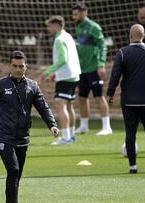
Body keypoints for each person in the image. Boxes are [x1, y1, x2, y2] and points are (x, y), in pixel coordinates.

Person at [0, 51, 59, 203]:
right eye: (14, 66)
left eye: (21, 66)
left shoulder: (32, 86)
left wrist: (52, 124)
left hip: (23, 138)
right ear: (10, 66)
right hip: (4, 137)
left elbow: (43, 107)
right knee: (13, 170)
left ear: (26, 67)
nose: (17, 69)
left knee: (16, 175)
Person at [107, 24, 145, 174]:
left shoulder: (122, 53)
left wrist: (110, 94)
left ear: (130, 36)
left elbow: (115, 76)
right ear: (144, 36)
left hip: (128, 101)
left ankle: (133, 166)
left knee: (130, 133)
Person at [72, 3, 112, 136]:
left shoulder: (94, 27)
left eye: (76, 14)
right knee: (82, 97)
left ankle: (107, 127)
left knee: (99, 96)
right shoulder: (78, 27)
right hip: (81, 70)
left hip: (94, 68)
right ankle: (84, 126)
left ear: (84, 13)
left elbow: (102, 46)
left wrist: (101, 64)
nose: (73, 17)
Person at [41, 16, 81, 145]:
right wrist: (55, 73)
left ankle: (66, 138)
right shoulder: (68, 36)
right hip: (74, 75)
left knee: (60, 105)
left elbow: (63, 59)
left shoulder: (59, 39)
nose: (48, 28)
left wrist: (48, 71)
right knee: (69, 106)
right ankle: (71, 136)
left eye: (49, 26)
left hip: (66, 76)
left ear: (56, 25)